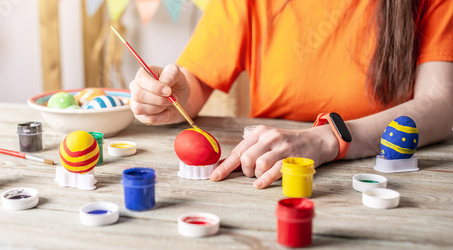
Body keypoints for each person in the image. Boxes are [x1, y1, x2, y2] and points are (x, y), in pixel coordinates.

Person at [128, 0, 453, 189]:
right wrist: (169, 98)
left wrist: (330, 139)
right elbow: (194, 86)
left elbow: (441, 104)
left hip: (386, 176)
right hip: (269, 175)